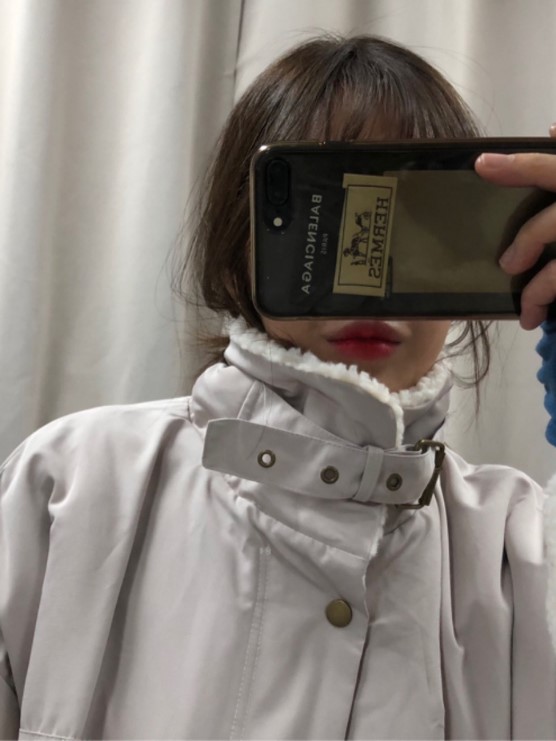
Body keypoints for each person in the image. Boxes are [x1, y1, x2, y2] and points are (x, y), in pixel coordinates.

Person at [1, 34, 556, 741]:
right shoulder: (70, 486)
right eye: (327, 217)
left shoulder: (522, 548)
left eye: (421, 224)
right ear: (242, 242)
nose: (368, 285)